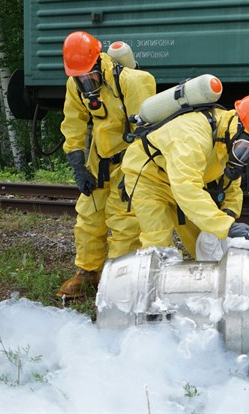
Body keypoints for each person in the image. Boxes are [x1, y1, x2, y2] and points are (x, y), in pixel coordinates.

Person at [58, 31, 157, 299]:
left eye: (89, 75)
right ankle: (87, 273)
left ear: (98, 63)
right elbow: (74, 122)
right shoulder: (74, 83)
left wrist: (134, 172)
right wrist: (77, 164)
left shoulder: (132, 82)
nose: (85, 82)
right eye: (78, 77)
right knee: (89, 215)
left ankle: (117, 277)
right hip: (99, 158)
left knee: (124, 218)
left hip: (131, 156)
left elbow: (147, 129)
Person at [121, 94, 249, 259]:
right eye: (244, 147)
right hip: (149, 177)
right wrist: (226, 226)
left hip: (181, 180)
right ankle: (133, 282)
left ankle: (204, 282)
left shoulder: (226, 137)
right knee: (159, 246)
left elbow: (230, 179)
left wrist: (229, 211)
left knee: (205, 244)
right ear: (237, 127)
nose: (243, 154)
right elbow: (186, 187)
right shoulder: (192, 136)